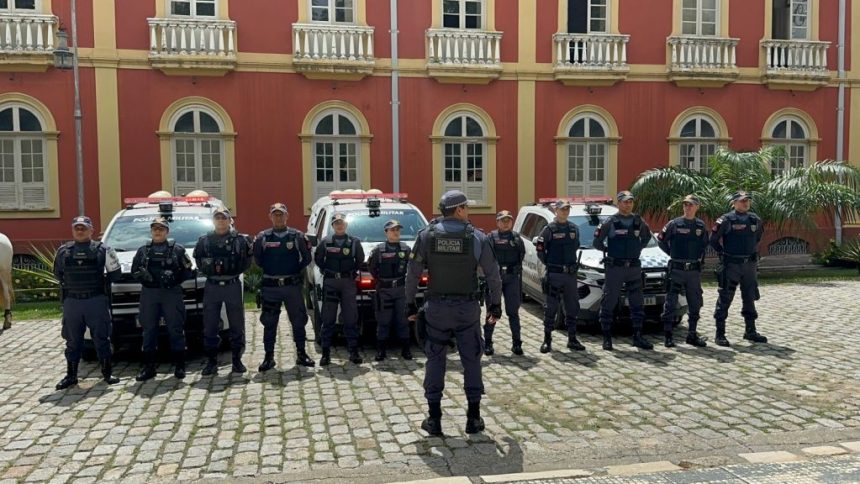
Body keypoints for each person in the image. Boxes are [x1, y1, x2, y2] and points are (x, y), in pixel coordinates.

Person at [406, 190, 502, 436]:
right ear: (459, 210)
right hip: (466, 310)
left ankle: (434, 419)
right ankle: (473, 418)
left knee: (435, 359)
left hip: (437, 309)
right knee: (472, 359)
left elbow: (412, 273)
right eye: (466, 207)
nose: (468, 211)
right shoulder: (477, 237)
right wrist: (495, 305)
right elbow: (493, 274)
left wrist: (410, 304)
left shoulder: (427, 235)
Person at [53, 216, 122, 389]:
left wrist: (99, 285)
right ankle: (71, 376)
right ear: (72, 230)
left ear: (91, 230)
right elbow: (58, 273)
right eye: (77, 227)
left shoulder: (104, 250)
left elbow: (115, 273)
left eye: (83, 227)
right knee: (72, 341)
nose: (80, 230)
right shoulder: (63, 251)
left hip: (96, 301)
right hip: (73, 302)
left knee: (102, 338)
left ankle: (107, 373)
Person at [253, 203, 315, 372]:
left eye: (281, 214)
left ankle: (301, 353)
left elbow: (307, 258)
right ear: (270, 216)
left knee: (299, 321)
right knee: (269, 322)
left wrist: (294, 270)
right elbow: (258, 260)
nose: (278, 217)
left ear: (287, 216)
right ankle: (269, 357)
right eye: (275, 214)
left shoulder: (297, 236)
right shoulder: (262, 237)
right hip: (271, 287)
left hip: (291, 287)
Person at [131, 217, 194, 381]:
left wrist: (174, 279)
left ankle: (179, 366)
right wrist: (145, 278)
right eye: (155, 228)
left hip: (171, 294)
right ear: (151, 231)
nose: (158, 231)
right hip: (149, 294)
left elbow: (188, 270)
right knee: (148, 331)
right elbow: (134, 271)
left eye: (161, 228)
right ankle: (149, 368)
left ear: (167, 231)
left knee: (175, 329)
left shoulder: (177, 250)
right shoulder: (143, 251)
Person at [194, 207, 253, 375]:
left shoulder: (240, 240)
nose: (221, 221)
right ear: (213, 221)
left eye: (223, 218)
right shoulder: (204, 241)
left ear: (229, 220)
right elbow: (199, 261)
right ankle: (211, 362)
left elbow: (247, 261)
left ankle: (237, 361)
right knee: (210, 325)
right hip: (212, 286)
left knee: (236, 325)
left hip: (232, 285)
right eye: (218, 218)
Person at [593, 191, 654, 350]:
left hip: (633, 268)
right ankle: (607, 338)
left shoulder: (638, 221)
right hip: (615, 268)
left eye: (630, 202)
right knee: (609, 301)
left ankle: (637, 336)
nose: (628, 205)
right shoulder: (610, 222)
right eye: (625, 202)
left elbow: (646, 237)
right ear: (619, 203)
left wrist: (637, 249)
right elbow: (597, 242)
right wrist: (609, 251)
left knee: (637, 303)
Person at [710, 191, 768, 346]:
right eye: (742, 201)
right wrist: (723, 254)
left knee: (749, 297)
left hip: (749, 266)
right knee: (725, 298)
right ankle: (720, 334)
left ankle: (750, 331)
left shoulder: (755, 219)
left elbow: (758, 238)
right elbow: (713, 240)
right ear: (734, 203)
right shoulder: (726, 220)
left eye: (747, 200)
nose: (745, 203)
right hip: (731, 265)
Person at [656, 195, 708, 348]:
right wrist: (672, 254)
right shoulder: (674, 224)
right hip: (677, 269)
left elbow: (704, 244)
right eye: (685, 204)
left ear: (697, 207)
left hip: (693, 271)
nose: (687, 207)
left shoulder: (700, 226)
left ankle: (692, 334)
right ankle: (668, 336)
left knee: (695, 303)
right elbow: (661, 240)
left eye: (691, 205)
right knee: (671, 304)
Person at [314, 212, 365, 366]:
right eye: (336, 223)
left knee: (350, 318)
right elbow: (318, 259)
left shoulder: (354, 242)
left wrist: (351, 272)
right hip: (331, 282)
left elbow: (360, 260)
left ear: (346, 224)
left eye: (341, 222)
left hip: (347, 283)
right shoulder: (326, 242)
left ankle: (353, 352)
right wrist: (327, 271)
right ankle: (325, 353)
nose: (339, 225)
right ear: (333, 226)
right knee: (328, 318)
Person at [535, 201, 584, 353]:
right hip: (555, 274)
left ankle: (572, 339)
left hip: (570, 275)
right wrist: (551, 265)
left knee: (572, 307)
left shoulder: (574, 228)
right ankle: (547, 340)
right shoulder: (549, 230)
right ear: (556, 210)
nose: (565, 212)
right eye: (562, 209)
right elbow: (540, 251)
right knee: (551, 308)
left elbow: (576, 246)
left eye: (567, 209)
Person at [367, 219, 412, 361]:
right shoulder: (378, 250)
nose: (396, 232)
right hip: (384, 290)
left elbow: (412, 267)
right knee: (383, 321)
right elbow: (372, 268)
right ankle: (381, 351)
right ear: (386, 232)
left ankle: (406, 350)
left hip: (401, 290)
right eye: (392, 230)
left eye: (398, 229)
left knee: (403, 320)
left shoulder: (406, 249)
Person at [485, 210, 526, 356]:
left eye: (508, 220)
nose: (506, 223)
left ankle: (517, 343)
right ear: (497, 222)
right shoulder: (491, 237)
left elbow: (521, 255)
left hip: (511, 278)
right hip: (495, 279)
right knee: (492, 311)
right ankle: (488, 343)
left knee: (513, 312)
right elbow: (486, 258)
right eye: (503, 220)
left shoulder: (516, 238)